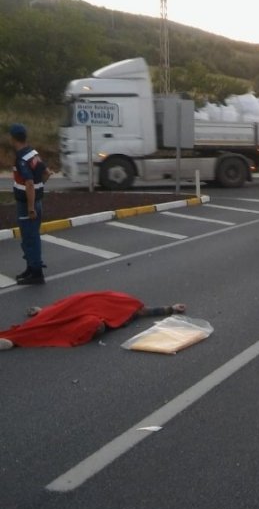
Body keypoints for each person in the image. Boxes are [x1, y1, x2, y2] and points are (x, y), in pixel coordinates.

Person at [0, 291, 186, 350]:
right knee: (58, 314)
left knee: (81, 323)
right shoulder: (129, 304)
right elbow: (143, 310)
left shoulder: (133, 309)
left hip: (92, 312)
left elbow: (146, 311)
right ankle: (20, 334)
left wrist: (171, 308)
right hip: (88, 302)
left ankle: (16, 339)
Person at [8, 123, 51, 285]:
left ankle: (36, 273)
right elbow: (47, 173)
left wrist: (31, 207)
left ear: (13, 139)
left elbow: (29, 183)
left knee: (30, 238)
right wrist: (39, 191)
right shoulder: (33, 153)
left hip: (27, 204)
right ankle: (30, 268)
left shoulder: (21, 158)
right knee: (30, 237)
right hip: (37, 200)